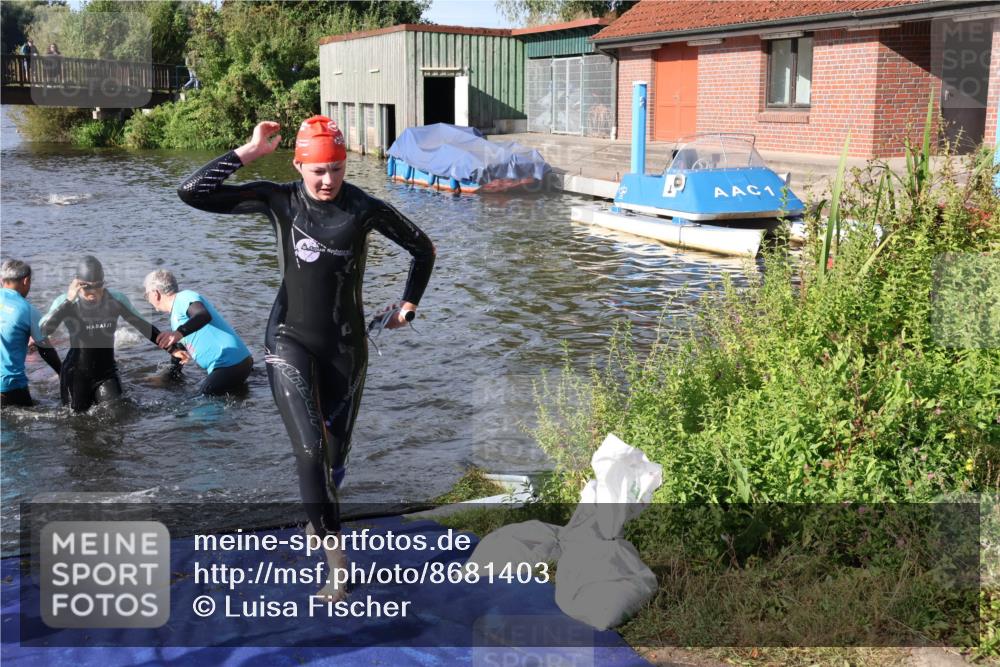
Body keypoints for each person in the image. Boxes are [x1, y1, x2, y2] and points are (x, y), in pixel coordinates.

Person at [177, 116, 435, 598]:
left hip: (346, 345)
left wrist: (408, 305)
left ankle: (323, 515)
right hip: (289, 339)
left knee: (335, 456)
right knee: (310, 451)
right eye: (317, 170)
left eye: (336, 168)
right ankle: (339, 563)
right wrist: (248, 153)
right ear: (298, 165)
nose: (327, 180)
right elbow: (191, 192)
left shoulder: (363, 209)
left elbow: (423, 249)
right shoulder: (279, 200)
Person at [40, 255, 185, 412]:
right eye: (88, 287)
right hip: (76, 376)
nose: (94, 292)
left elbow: (143, 326)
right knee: (76, 425)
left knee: (119, 419)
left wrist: (172, 350)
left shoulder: (115, 299)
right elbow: (43, 331)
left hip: (106, 373)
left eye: (98, 286)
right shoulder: (66, 302)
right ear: (76, 284)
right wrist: (68, 301)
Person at [143, 269, 253, 396]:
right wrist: (168, 376)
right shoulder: (176, 316)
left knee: (201, 404)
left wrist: (178, 333)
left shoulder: (184, 297)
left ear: (155, 293)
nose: (148, 300)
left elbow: (203, 315)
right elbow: (181, 352)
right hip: (235, 365)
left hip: (229, 364)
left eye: (146, 296)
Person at [1, 259, 62, 407]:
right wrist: (63, 373)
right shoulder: (27, 310)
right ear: (26, 281)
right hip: (10, 388)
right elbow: (45, 350)